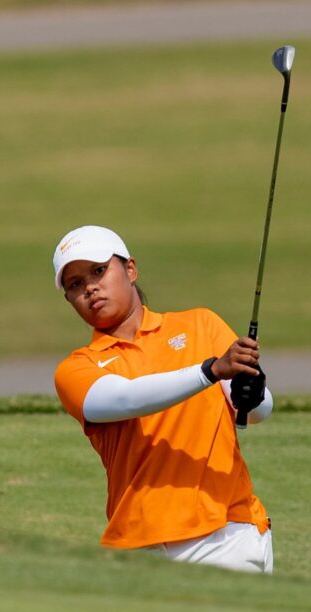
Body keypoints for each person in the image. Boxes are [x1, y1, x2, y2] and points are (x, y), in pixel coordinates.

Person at [52, 225, 275, 574]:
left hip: (225, 533)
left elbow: (257, 411)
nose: (90, 288)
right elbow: (124, 399)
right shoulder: (77, 368)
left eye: (98, 271)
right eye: (75, 285)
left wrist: (254, 392)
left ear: (130, 269)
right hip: (134, 547)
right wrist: (210, 371)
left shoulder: (201, 324)